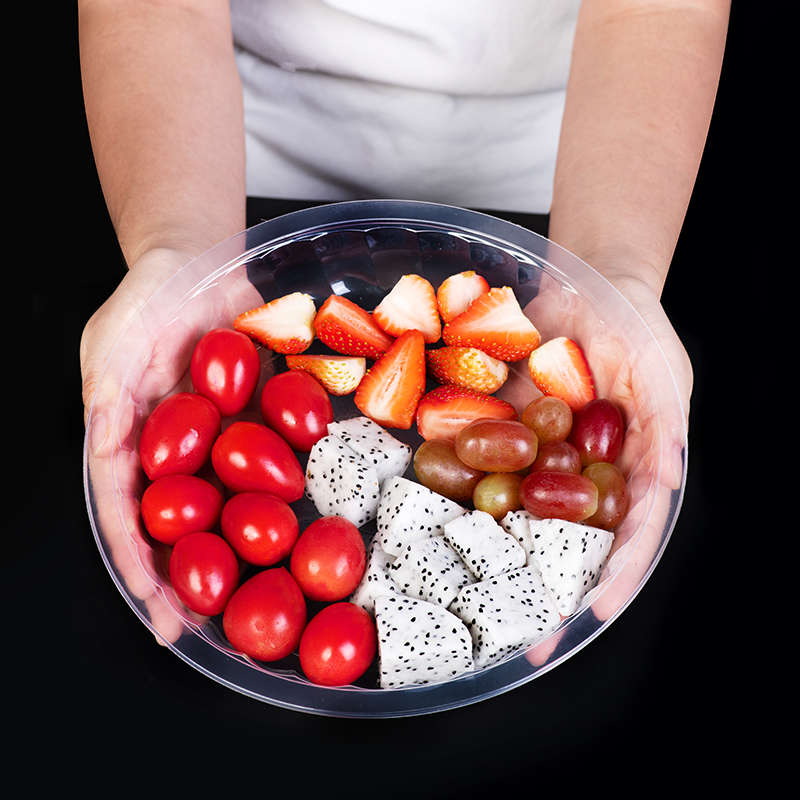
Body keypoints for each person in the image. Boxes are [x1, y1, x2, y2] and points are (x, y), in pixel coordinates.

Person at [78, 0, 730, 644]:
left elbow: (654, 12)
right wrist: (186, 257)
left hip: (589, 165)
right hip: (219, 152)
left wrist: (611, 274)